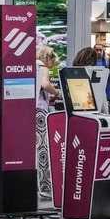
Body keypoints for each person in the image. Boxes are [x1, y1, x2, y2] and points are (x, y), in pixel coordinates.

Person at [35, 46, 60, 198]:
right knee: (43, 148)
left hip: (26, 109)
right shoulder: (42, 68)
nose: (51, 66)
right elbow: (45, 84)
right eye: (52, 62)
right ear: (48, 58)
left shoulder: (30, 66)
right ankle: (45, 186)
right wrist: (56, 92)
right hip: (39, 111)